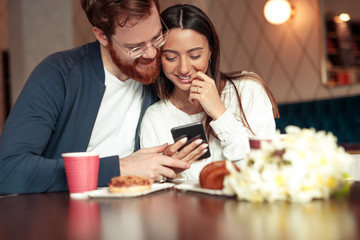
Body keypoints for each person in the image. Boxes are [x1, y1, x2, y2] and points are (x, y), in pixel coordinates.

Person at [0, 0, 208, 195]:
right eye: (135, 47)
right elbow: (7, 169)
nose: (151, 54)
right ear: (102, 36)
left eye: (157, 37)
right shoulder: (58, 74)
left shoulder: (159, 73)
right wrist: (120, 168)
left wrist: (162, 163)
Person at [140, 4, 279, 180]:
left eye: (195, 56)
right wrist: (166, 174)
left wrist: (220, 114)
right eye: (171, 57)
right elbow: (157, 195)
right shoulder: (155, 118)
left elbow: (264, 169)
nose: (183, 68)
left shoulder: (248, 91)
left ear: (211, 50)